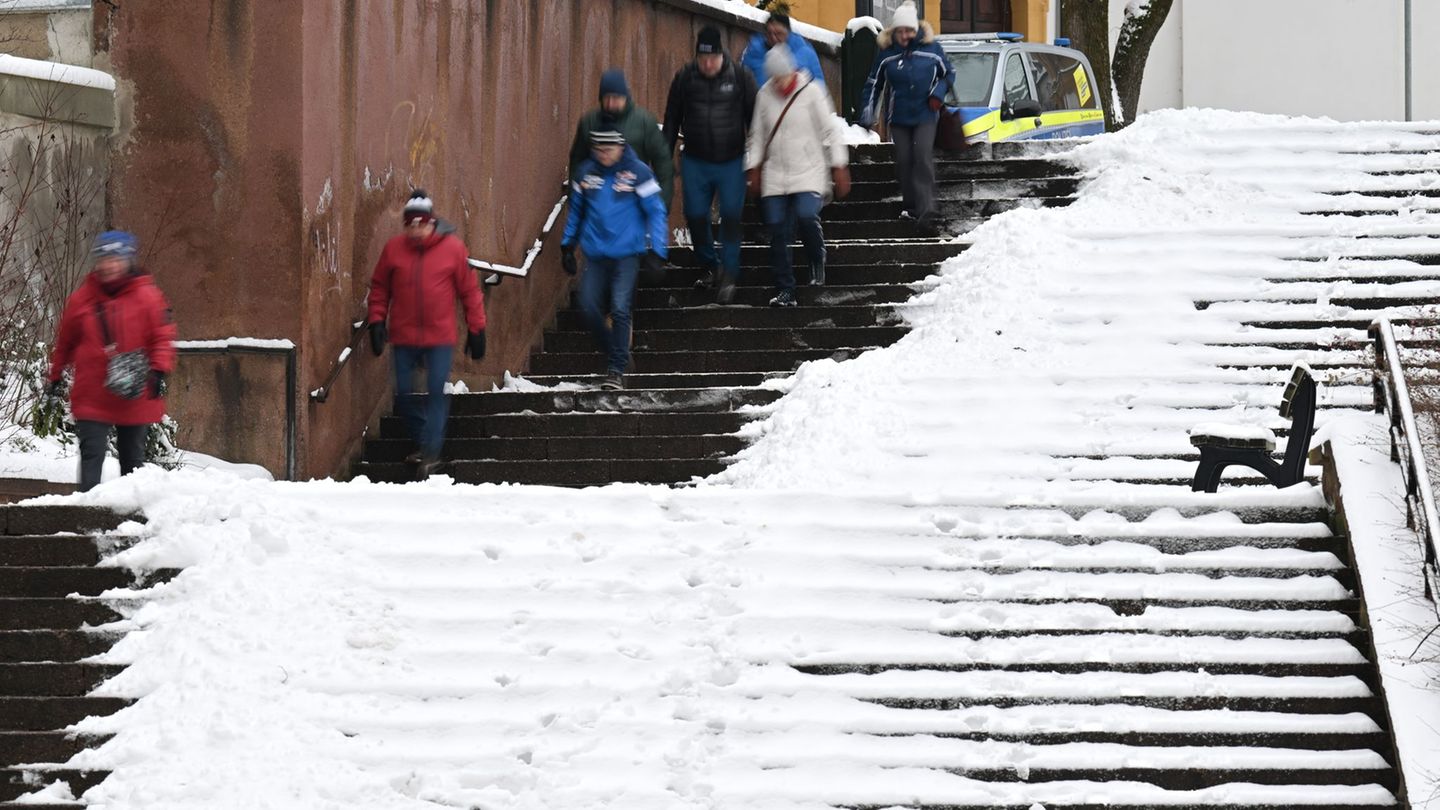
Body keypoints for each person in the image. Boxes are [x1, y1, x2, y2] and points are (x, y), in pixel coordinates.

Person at [366, 190, 487, 479]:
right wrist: (376, 321)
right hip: (403, 336)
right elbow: (380, 287)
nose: (416, 230)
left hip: (440, 337)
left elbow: (470, 291)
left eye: (421, 224)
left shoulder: (453, 249)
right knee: (403, 394)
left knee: (435, 391)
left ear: (431, 222)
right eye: (410, 225)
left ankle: (431, 453)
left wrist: (477, 329)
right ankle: (423, 439)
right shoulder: (394, 250)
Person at [47, 230, 176, 492]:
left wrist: (158, 370)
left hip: (133, 393)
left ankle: (130, 513)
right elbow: (65, 342)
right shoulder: (82, 299)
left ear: (128, 261)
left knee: (132, 462)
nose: (109, 265)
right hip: (92, 392)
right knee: (91, 456)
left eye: (116, 259)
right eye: (104, 259)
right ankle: (85, 511)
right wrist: (56, 375)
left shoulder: (148, 297)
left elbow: (162, 337)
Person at [559, 129, 668, 391]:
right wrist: (568, 245)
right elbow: (577, 211)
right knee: (587, 305)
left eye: (609, 149)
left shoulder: (639, 172)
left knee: (620, 308)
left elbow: (655, 211)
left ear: (621, 147)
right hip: (596, 255)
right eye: (599, 149)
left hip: (627, 254)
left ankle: (616, 369)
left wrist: (658, 251)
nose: (604, 155)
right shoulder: (586, 173)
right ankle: (616, 351)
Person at [746, 45, 850, 308]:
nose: (779, 83)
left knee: (805, 215)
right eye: (775, 78)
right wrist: (754, 167)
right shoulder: (764, 95)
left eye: (782, 77)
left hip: (808, 169)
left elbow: (831, 131)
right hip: (775, 173)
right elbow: (757, 136)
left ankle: (816, 256)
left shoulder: (812, 92)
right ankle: (785, 290)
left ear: (791, 71)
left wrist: (839, 165)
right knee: (778, 230)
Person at [663, 25, 758, 303]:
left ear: (721, 55)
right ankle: (709, 264)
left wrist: (757, 158)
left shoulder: (740, 76)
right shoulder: (684, 78)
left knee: (731, 216)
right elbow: (671, 120)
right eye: (702, 59)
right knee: (694, 214)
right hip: (696, 159)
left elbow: (756, 120)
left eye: (712, 59)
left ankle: (729, 273)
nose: (707, 64)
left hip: (731, 159)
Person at [858, 1, 954, 233]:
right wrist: (867, 112)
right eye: (900, 31)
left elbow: (948, 74)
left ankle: (927, 210)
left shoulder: (931, 49)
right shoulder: (887, 53)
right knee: (904, 160)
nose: (904, 36)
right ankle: (910, 207)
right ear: (893, 31)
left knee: (922, 156)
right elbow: (874, 84)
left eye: (909, 30)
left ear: (915, 29)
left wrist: (938, 93)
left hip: (926, 114)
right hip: (899, 117)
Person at [568, 68, 674, 213]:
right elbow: (577, 160)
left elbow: (663, 163)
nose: (610, 103)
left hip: (634, 202)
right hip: (596, 205)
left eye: (616, 98)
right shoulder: (589, 121)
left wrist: (661, 205)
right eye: (606, 98)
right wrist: (574, 198)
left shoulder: (644, 122)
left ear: (625, 97)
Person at [739, 6, 826, 90]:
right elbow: (742, 84)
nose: (773, 38)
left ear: (788, 32)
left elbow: (820, 88)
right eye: (769, 33)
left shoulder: (805, 53)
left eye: (778, 33)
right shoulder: (753, 51)